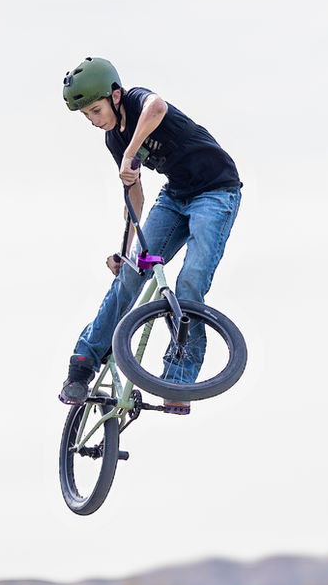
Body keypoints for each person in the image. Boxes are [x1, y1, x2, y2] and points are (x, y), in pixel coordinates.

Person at [56, 57, 243, 414]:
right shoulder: (114, 139)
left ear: (114, 95)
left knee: (190, 282)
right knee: (130, 275)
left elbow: (158, 106)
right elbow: (135, 197)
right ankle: (83, 363)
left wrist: (131, 152)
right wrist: (125, 251)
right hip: (175, 199)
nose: (94, 121)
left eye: (96, 110)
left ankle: (178, 379)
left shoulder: (138, 102)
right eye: (87, 116)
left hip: (217, 193)